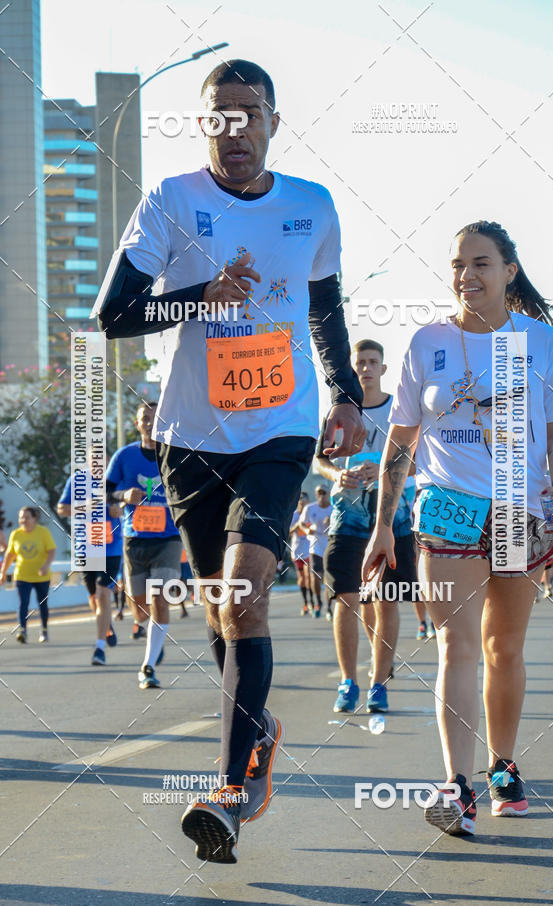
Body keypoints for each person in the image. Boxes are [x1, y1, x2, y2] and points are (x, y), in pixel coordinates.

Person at [94, 58, 365, 863]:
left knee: (245, 599)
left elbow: (326, 310)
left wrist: (346, 394)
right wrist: (199, 295)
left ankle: (231, 790)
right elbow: (114, 315)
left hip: (280, 431)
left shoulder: (311, 207)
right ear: (201, 122)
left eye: (249, 114)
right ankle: (261, 732)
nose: (234, 128)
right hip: (190, 438)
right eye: (219, 115)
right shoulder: (171, 202)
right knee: (221, 609)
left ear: (273, 122)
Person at [364, 220, 553, 836]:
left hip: (518, 503)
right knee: (457, 645)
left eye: (481, 263)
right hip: (447, 506)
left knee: (502, 647)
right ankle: (456, 786)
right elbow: (400, 444)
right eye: (458, 264)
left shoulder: (538, 342)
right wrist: (384, 524)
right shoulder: (428, 342)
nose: (467, 276)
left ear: (509, 271)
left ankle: (502, 766)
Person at [316, 339, 417, 713]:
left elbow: (422, 464)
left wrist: (388, 470)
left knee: (386, 601)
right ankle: (348, 682)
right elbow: (320, 461)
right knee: (346, 599)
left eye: (373, 362)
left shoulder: (399, 410)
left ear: (383, 369)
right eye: (360, 363)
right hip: (347, 520)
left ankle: (379, 684)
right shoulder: (340, 410)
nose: (366, 369)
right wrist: (335, 476)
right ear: (352, 368)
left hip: (393, 522)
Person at [105, 401, 182, 688]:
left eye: (154, 417)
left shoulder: (174, 456)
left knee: (160, 597)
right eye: (144, 418)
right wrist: (124, 496)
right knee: (139, 607)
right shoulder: (124, 456)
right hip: (134, 538)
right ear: (137, 424)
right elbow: (107, 492)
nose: (149, 422)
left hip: (168, 538)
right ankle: (153, 636)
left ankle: (147, 666)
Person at [57, 463, 123, 665]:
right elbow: (61, 509)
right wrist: (85, 506)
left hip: (111, 547)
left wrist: (119, 509)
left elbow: (136, 502)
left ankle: (99, 647)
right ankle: (107, 623)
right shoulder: (76, 481)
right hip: (87, 547)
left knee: (103, 593)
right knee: (94, 597)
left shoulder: (116, 480)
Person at [0, 507, 56, 643]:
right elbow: (10, 555)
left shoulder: (43, 532)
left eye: (27, 517)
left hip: (41, 575)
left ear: (34, 518)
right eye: (21, 517)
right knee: (23, 603)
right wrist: (3, 573)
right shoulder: (16, 534)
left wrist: (45, 565)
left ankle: (44, 630)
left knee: (42, 603)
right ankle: (23, 631)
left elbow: (51, 550)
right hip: (22, 575)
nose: (23, 520)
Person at [300, 487, 332, 619]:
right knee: (314, 577)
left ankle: (329, 608)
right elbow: (301, 523)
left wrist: (332, 522)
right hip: (315, 547)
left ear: (328, 494)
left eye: (324, 493)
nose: (321, 495)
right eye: (319, 493)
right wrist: (307, 530)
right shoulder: (310, 508)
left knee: (328, 580)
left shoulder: (334, 508)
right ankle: (318, 601)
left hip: (330, 546)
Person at [289, 491, 313, 615]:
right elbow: (288, 532)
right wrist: (297, 525)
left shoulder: (311, 513)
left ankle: (312, 602)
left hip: (310, 550)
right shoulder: (293, 515)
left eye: (304, 501)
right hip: (297, 550)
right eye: (300, 501)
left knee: (309, 577)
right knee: (302, 579)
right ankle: (305, 603)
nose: (302, 504)